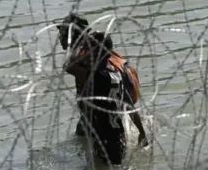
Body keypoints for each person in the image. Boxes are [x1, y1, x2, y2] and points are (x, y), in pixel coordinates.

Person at [58, 13, 148, 147]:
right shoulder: (88, 54)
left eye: (63, 34)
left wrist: (142, 132)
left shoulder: (88, 60)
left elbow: (68, 66)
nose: (60, 38)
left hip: (101, 120)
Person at [63, 30, 132, 166]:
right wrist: (142, 133)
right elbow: (130, 105)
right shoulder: (117, 74)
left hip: (104, 141)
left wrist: (79, 45)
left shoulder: (94, 77)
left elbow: (68, 66)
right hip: (119, 139)